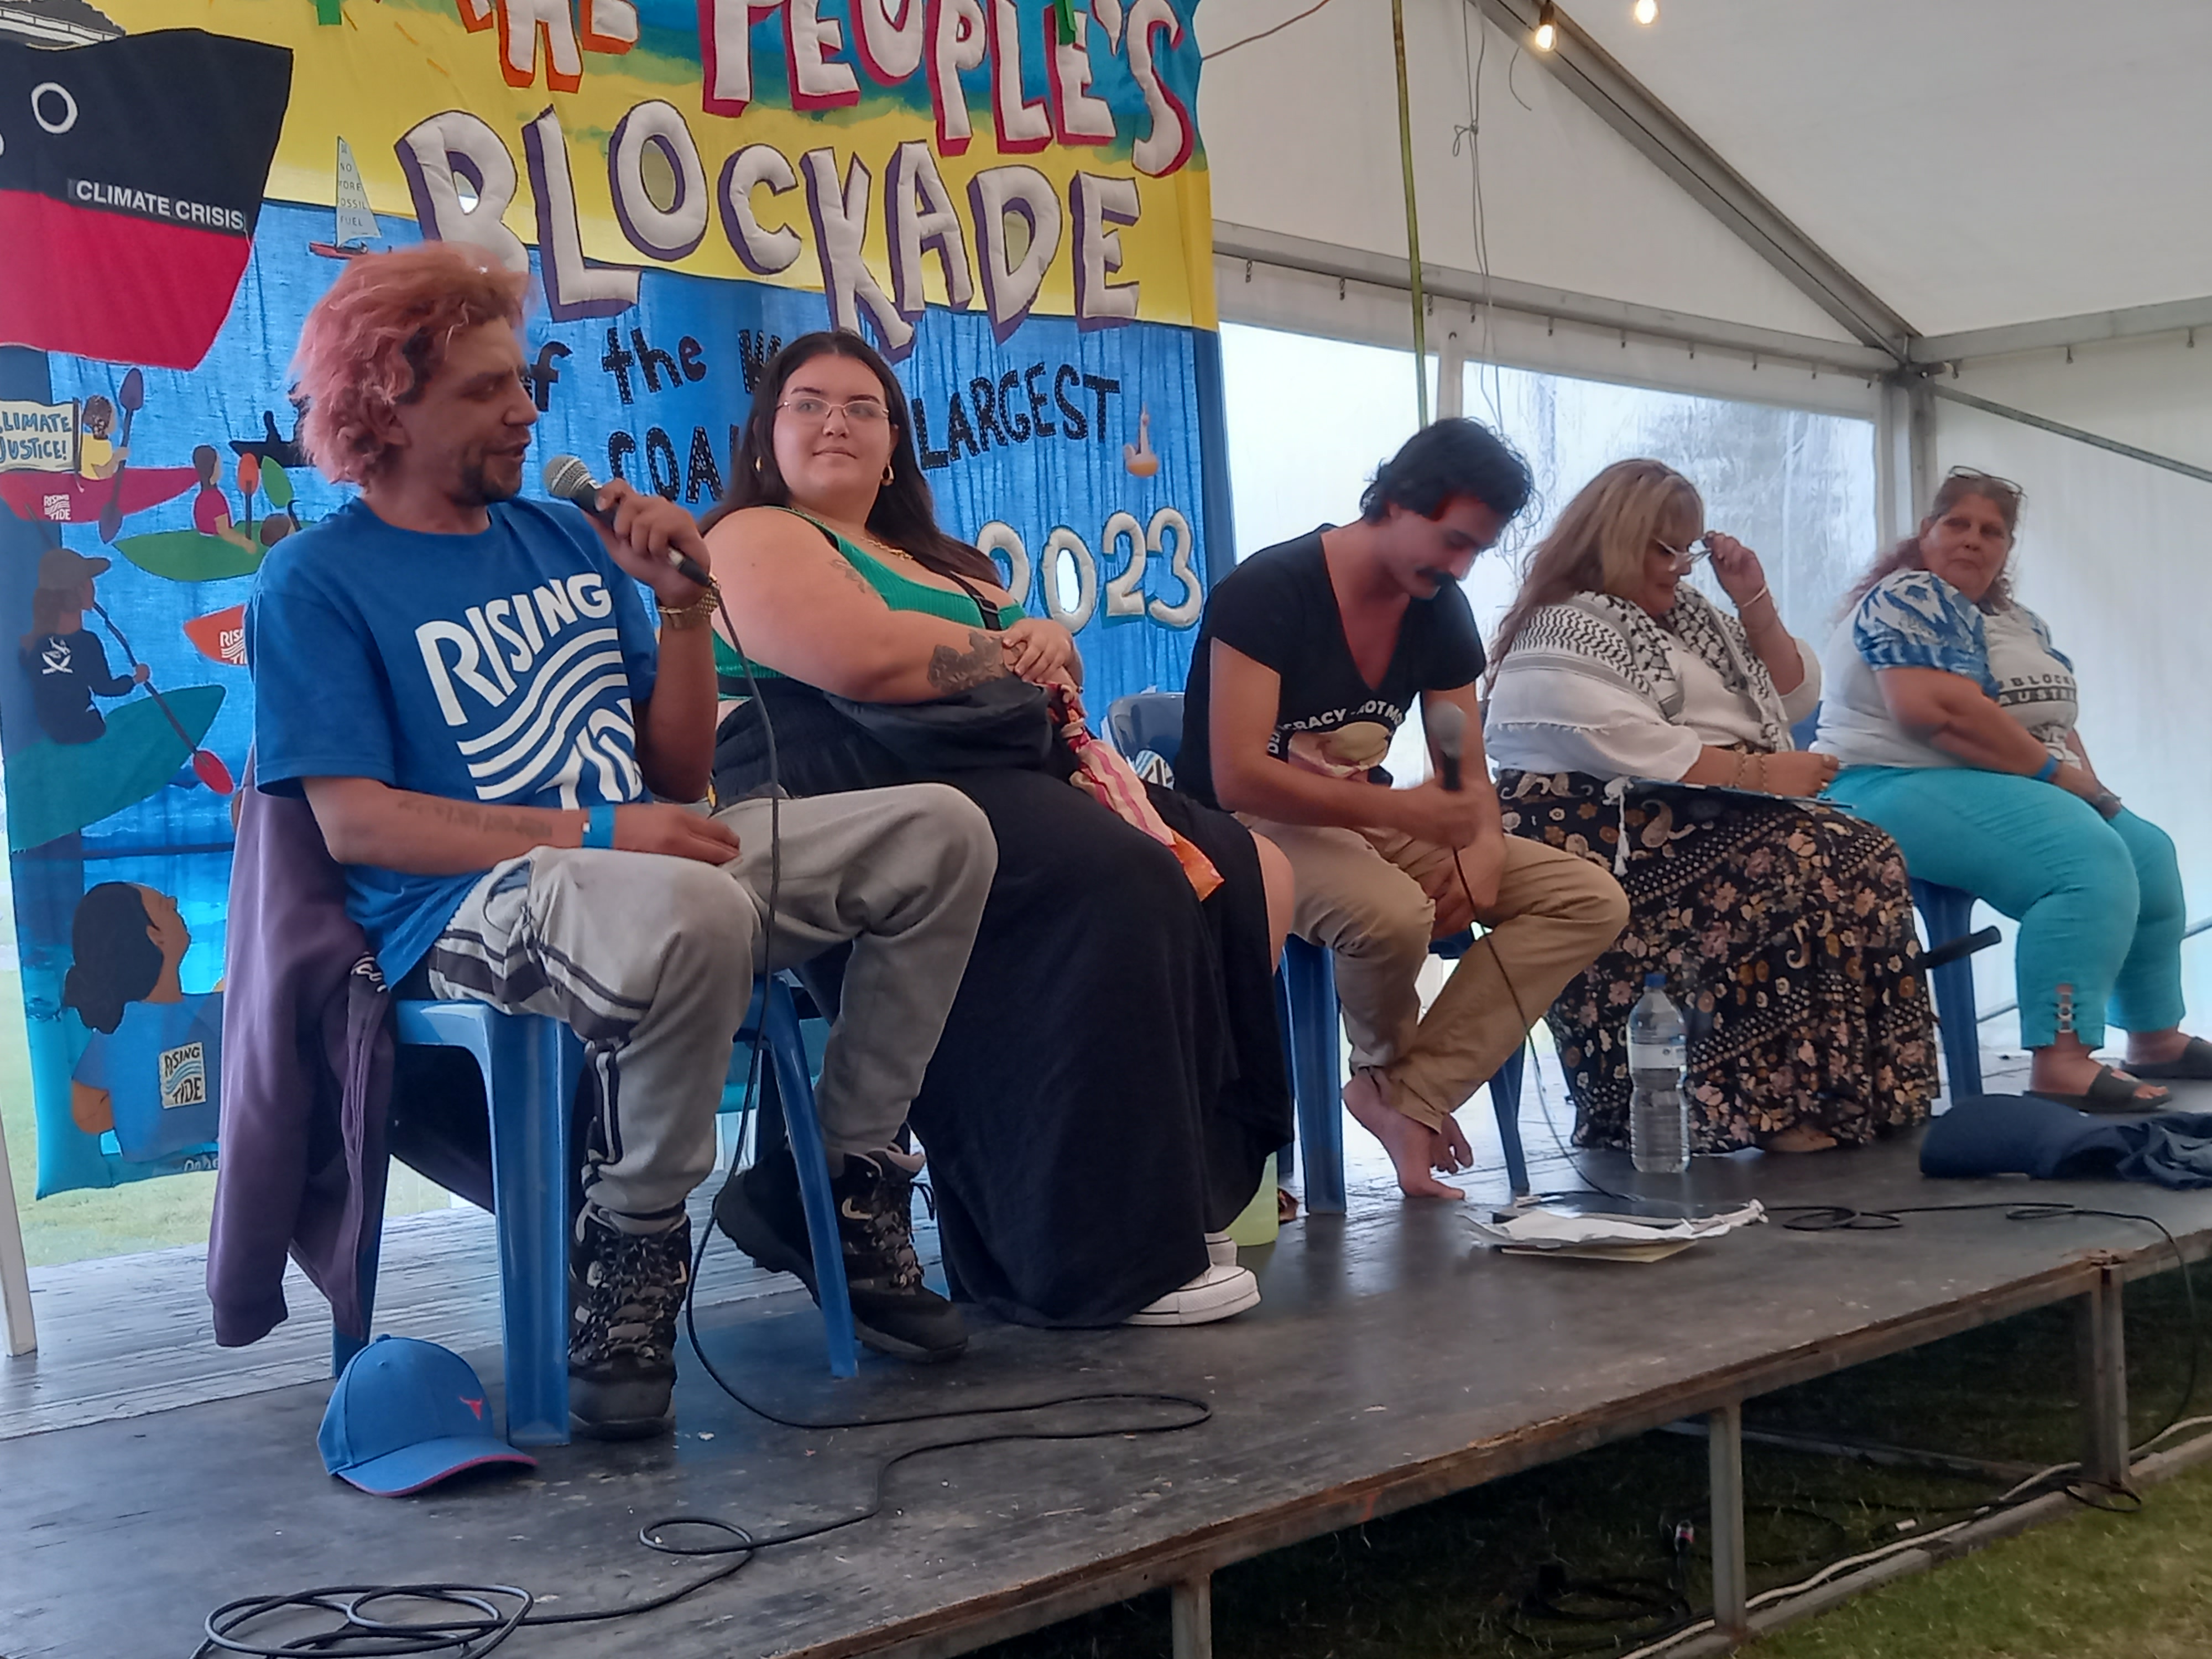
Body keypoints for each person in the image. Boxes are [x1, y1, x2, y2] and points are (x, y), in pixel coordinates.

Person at [248, 247, 997, 1438]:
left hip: (644, 862)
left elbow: (684, 777)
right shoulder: (314, 583)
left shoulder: (562, 539)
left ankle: (843, 1184)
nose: (528, 408)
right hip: (467, 903)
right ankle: (634, 1247)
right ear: (387, 399)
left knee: (943, 835)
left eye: (523, 378)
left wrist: (684, 606)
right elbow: (358, 822)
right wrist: (602, 831)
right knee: (689, 903)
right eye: (489, 389)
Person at [702, 330, 1291, 1329]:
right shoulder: (755, 535)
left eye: (862, 407)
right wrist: (1010, 649)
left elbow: (1044, 681)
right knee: (1117, 881)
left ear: (895, 446)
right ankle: (1093, 1256)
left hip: (997, 765)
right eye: (808, 403)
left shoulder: (949, 560)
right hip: (842, 777)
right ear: (766, 436)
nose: (835, 422)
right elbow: (864, 664)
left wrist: (1051, 646)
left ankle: (1175, 1194)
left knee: (1246, 867)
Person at [1182, 420, 1629, 1199]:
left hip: (1369, 821)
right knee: (1394, 914)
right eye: (1451, 541)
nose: (1458, 566)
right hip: (1242, 829)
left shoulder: (1438, 610)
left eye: (1476, 552)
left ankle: (1408, 1098)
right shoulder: (1268, 591)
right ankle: (1384, 1079)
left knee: (1588, 898)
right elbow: (1236, 777)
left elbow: (1462, 771)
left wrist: (1481, 845)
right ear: (1392, 499)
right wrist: (1421, 821)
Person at [1486, 458, 1936, 1154]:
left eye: (1685, 550)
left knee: (1865, 850)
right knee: (1804, 857)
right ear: (1612, 539)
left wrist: (1753, 599)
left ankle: (1861, 1094)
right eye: (1663, 550)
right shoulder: (1564, 628)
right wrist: (1760, 772)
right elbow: (1622, 740)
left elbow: (1790, 697)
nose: (1680, 569)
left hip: (1694, 811)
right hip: (1606, 832)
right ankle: (1775, 1105)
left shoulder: (1692, 624)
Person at [1817, 468, 2204, 1111]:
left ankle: (2155, 1038)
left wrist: (2094, 788)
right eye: (1956, 524)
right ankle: (2061, 1059)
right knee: (2084, 862)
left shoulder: (2016, 621)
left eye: (1991, 531)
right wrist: (2059, 781)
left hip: (1999, 781)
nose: (1972, 540)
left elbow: (2054, 725)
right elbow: (1934, 713)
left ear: (2007, 548)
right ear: (1926, 533)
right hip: (1885, 782)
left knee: (2147, 852)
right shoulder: (1910, 594)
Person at [63, 882, 222, 1163]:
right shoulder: (213, 1010)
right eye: (164, 905)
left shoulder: (118, 1030)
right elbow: (86, 1114)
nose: (174, 901)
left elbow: (88, 1116)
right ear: (155, 937)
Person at [19, 547, 147, 745]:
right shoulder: (86, 643)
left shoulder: (35, 643)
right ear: (79, 590)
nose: (93, 587)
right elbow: (105, 687)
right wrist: (136, 679)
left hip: (49, 728)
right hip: (83, 728)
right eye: (89, 582)